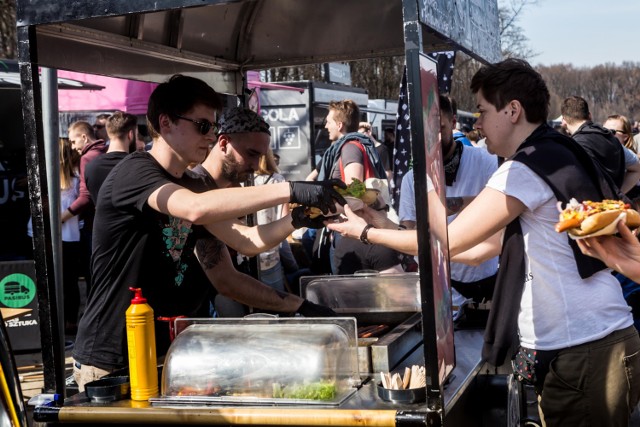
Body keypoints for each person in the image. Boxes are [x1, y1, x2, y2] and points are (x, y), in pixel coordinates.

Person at [329, 59, 640, 426]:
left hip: (585, 350)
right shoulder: (550, 152)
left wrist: (366, 230)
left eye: (481, 110)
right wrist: (380, 222)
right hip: (591, 345)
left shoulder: (526, 167)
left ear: (512, 111)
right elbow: (476, 251)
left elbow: (450, 239)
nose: (474, 123)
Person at [72, 75, 345, 391]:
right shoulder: (135, 171)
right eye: (203, 126)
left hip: (170, 354)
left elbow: (245, 242)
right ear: (166, 122)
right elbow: (194, 209)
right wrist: (291, 189)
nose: (210, 136)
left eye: (213, 127)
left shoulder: (196, 184)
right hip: (112, 360)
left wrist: (295, 221)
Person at [399, 95, 499, 307]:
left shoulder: (485, 162)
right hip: (438, 291)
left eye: (439, 128)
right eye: (424, 131)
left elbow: (498, 212)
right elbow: (409, 231)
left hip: (485, 290)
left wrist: (451, 204)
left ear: (453, 123)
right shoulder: (412, 178)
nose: (431, 138)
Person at [319, 99, 403, 275]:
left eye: (328, 121)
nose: (325, 125)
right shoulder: (356, 145)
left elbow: (354, 187)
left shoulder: (349, 148)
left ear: (339, 124)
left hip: (356, 233)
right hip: (364, 231)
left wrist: (320, 206)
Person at [28, 138, 82, 335]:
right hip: (45, 236)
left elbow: (82, 206)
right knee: (47, 279)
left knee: (68, 281)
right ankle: (49, 320)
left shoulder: (75, 179)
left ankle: (69, 321)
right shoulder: (44, 179)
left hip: (68, 237)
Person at [561, 96, 640, 193]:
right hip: (612, 206)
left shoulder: (571, 147)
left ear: (564, 121)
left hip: (587, 206)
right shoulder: (611, 139)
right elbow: (637, 168)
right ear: (589, 115)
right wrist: (618, 195)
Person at [62, 121, 107, 288]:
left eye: (74, 141)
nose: (73, 147)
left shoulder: (87, 157)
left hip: (94, 225)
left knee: (93, 276)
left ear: (84, 137)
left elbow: (85, 197)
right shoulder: (105, 152)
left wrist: (61, 218)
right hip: (107, 223)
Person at [85, 111, 138, 203]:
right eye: (136, 135)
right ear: (130, 135)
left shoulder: (90, 166)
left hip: (100, 217)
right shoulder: (136, 165)